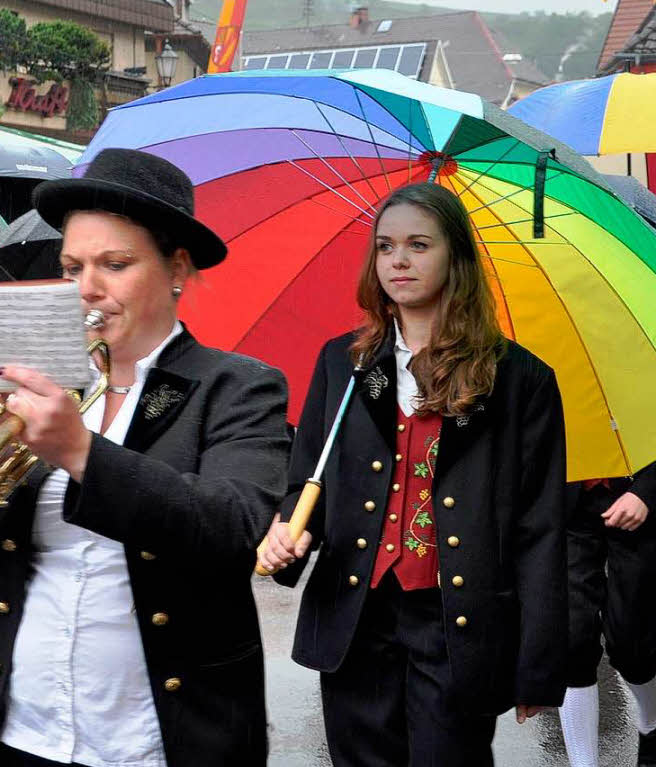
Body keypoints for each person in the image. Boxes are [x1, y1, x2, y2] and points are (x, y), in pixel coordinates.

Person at [0, 148, 291, 767]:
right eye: (72, 267)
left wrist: (81, 452)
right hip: (32, 726)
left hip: (158, 737)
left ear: (176, 267)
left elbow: (234, 529)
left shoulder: (236, 386)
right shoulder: (48, 390)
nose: (86, 289)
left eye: (115, 264)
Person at [260, 182, 569, 766]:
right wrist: (287, 534)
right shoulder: (343, 362)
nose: (398, 261)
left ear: (455, 256)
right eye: (385, 247)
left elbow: (540, 529)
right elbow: (308, 482)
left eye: (418, 245)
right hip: (356, 618)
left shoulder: (521, 380)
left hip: (459, 624)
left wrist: (537, 665)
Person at [558, 460, 656, 767]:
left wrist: (647, 492)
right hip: (567, 506)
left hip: (637, 500)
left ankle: (651, 724)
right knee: (570, 638)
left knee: (632, 645)